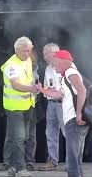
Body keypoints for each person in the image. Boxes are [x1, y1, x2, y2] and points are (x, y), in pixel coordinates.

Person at [36, 50, 88, 177]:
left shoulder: (70, 72)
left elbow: (82, 90)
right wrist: (42, 89)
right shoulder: (66, 76)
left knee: (72, 158)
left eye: (55, 63)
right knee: (75, 157)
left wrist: (79, 113)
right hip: (73, 120)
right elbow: (59, 94)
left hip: (74, 120)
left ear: (62, 61)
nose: (54, 66)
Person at [0, 36, 38, 177]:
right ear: (16, 50)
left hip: (28, 105)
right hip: (14, 106)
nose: (27, 54)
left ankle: (10, 165)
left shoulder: (27, 60)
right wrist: (31, 89)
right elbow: (15, 85)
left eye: (29, 51)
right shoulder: (11, 65)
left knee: (19, 136)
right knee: (19, 137)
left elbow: (29, 78)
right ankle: (20, 168)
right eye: (24, 51)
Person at [38, 43, 65, 171]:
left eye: (46, 53)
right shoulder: (48, 68)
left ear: (54, 53)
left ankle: (74, 162)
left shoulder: (65, 66)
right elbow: (46, 87)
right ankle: (52, 161)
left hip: (64, 105)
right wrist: (43, 90)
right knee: (51, 133)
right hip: (51, 105)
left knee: (68, 133)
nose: (43, 56)